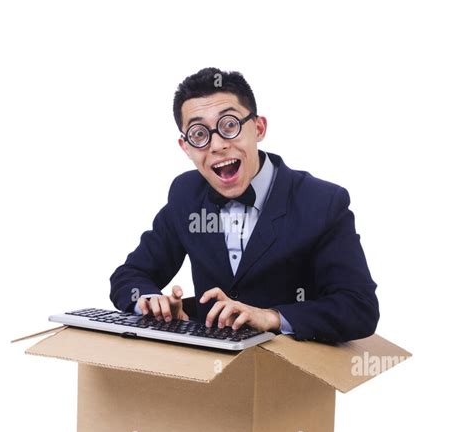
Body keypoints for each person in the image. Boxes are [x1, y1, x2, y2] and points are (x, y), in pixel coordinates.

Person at [109, 67, 379, 343]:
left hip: (289, 373)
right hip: (202, 371)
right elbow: (130, 275)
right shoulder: (186, 194)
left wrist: (270, 317)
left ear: (259, 128)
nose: (216, 145)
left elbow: (358, 308)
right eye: (199, 134)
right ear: (185, 146)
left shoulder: (322, 202)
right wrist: (150, 302)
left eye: (229, 125)